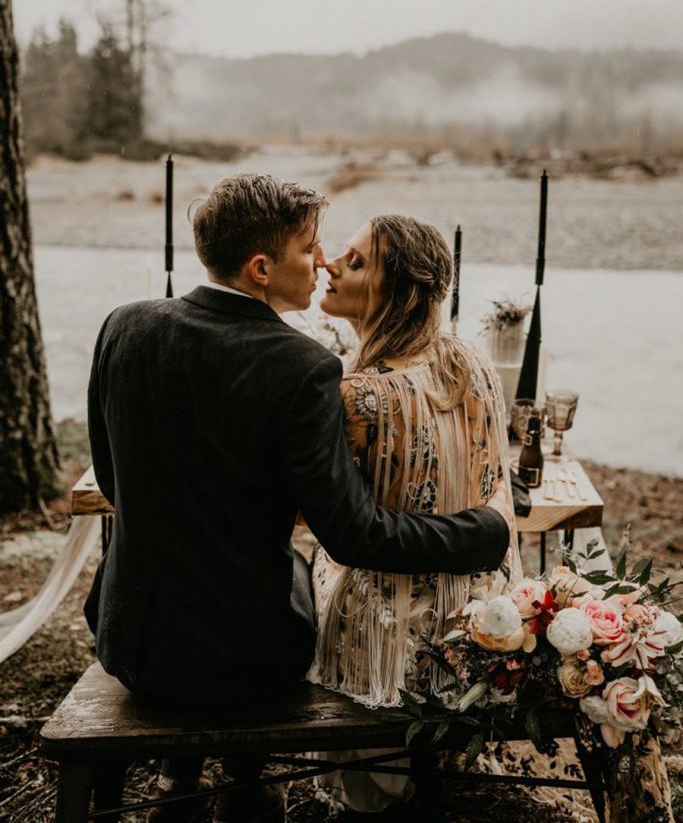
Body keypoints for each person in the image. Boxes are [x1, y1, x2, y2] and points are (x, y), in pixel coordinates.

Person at [84, 175, 511, 822]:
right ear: (261, 268)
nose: (321, 262)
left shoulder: (124, 326)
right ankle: (246, 784)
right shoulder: (300, 365)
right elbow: (355, 534)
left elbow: (113, 483)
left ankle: (183, 785)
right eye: (309, 248)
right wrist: (484, 530)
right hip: (246, 661)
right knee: (292, 577)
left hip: (130, 637)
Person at [308, 214, 521, 812]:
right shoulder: (472, 364)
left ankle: (369, 796)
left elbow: (327, 524)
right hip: (474, 619)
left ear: (395, 292)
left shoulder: (357, 394)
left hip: (386, 639)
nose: (329, 264)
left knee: (313, 570)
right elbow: (494, 490)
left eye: (353, 262)